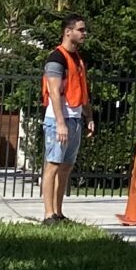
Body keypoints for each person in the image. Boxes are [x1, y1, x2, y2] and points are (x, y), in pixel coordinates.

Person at [40, 14, 91, 223]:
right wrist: (60, 123)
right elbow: (54, 92)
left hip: (75, 118)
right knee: (53, 165)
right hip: (58, 120)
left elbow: (82, 90)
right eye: (81, 30)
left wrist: (88, 116)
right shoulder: (56, 58)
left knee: (66, 167)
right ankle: (48, 214)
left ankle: (59, 213)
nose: (84, 33)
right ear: (68, 32)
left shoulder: (78, 59)